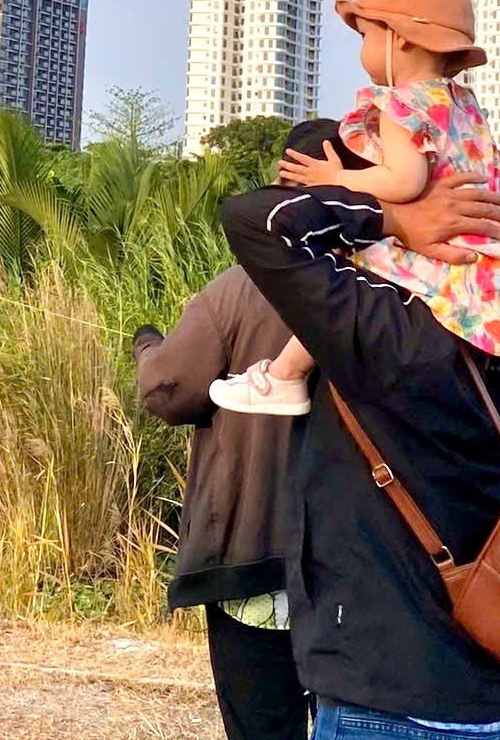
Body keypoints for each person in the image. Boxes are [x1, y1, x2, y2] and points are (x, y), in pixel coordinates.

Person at [218, 0, 500, 740]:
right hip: (488, 683)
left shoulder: (379, 326)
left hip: (387, 691)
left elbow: (253, 217)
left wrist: (387, 216)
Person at [213, 0, 500, 416]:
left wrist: (336, 179)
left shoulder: (400, 105)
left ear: (401, 39)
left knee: (354, 259)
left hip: (452, 259)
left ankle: (286, 375)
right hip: (498, 266)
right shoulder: (462, 104)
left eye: (367, 35)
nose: (363, 50)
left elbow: (404, 182)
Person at [133, 266, 306, 740]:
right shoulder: (390, 275)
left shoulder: (244, 284)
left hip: (254, 561)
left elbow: (166, 390)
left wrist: (147, 346)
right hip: (361, 569)